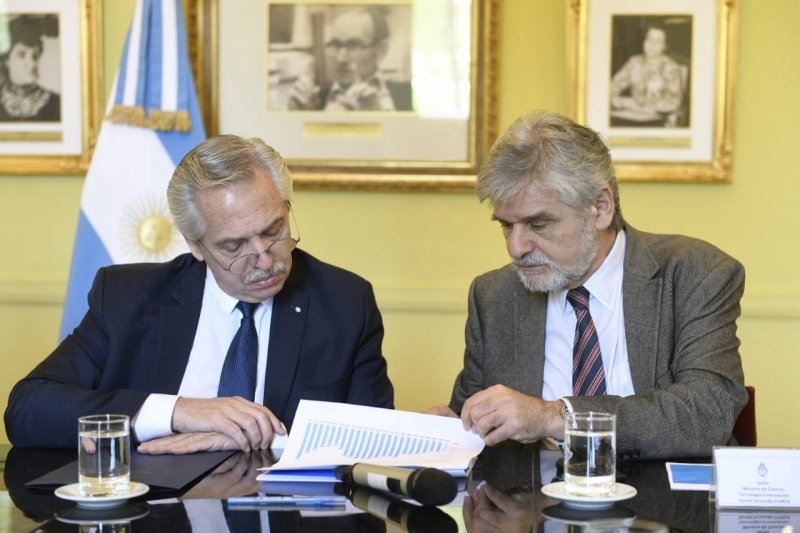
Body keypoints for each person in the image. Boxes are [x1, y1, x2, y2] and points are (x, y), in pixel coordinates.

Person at [4, 135, 394, 453]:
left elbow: (375, 441)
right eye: (233, 245)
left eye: (274, 230)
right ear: (195, 245)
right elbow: (28, 410)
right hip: (154, 509)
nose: (264, 259)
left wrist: (261, 438)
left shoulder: (345, 303)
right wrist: (178, 412)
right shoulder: (127, 299)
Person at [426, 110, 748, 459]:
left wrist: (554, 416)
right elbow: (480, 424)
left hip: (662, 493)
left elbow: (706, 413)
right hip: (533, 494)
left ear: (600, 207)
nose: (515, 247)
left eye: (538, 224)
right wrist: (455, 429)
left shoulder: (694, 274)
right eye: (506, 225)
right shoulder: (494, 296)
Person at [287, 6, 412, 112]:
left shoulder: (407, 97)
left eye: (353, 45)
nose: (341, 58)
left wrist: (380, 119)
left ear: (381, 50)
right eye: (336, 45)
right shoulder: (316, 97)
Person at [609, 25, 686, 127]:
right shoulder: (634, 62)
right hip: (631, 117)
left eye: (657, 41)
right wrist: (616, 99)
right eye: (649, 39)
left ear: (665, 46)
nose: (651, 44)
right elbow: (613, 87)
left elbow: (674, 103)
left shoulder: (671, 68)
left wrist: (639, 105)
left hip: (659, 121)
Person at [0, 15, 61, 122]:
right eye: (22, 55)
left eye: (35, 56)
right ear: (7, 60)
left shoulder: (56, 103)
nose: (32, 64)